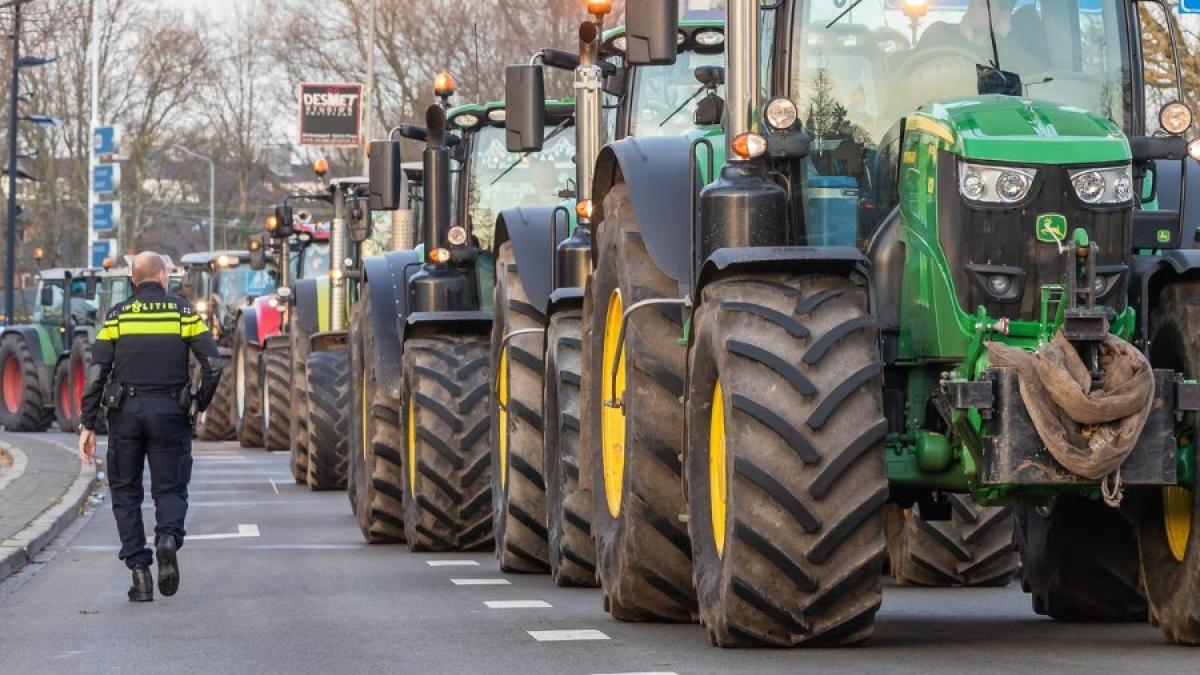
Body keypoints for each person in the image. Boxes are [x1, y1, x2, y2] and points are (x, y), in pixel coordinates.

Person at [78, 251, 223, 602]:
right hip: (171, 412)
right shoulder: (183, 312)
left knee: (126, 493)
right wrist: (198, 402)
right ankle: (167, 539)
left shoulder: (117, 317)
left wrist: (87, 423)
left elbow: (97, 373)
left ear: (133, 278)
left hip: (125, 413)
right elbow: (214, 364)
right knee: (169, 489)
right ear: (163, 277)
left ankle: (140, 575)